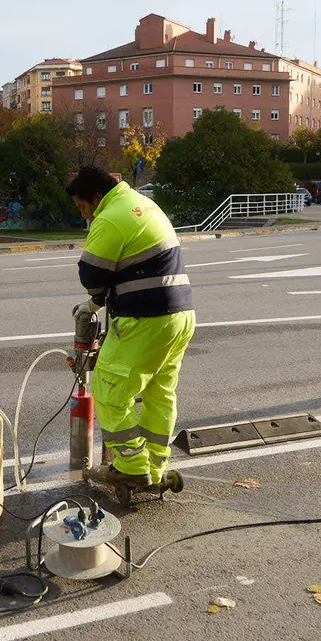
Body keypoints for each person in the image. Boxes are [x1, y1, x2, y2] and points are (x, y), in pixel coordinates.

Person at [67, 166, 196, 489]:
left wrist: (94, 297)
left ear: (97, 198)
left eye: (83, 208)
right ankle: (155, 465)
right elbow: (134, 264)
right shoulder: (141, 203)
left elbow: (91, 274)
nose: (85, 216)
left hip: (145, 319)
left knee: (110, 391)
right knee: (160, 392)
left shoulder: (111, 216)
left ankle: (131, 466)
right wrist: (97, 303)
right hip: (179, 316)